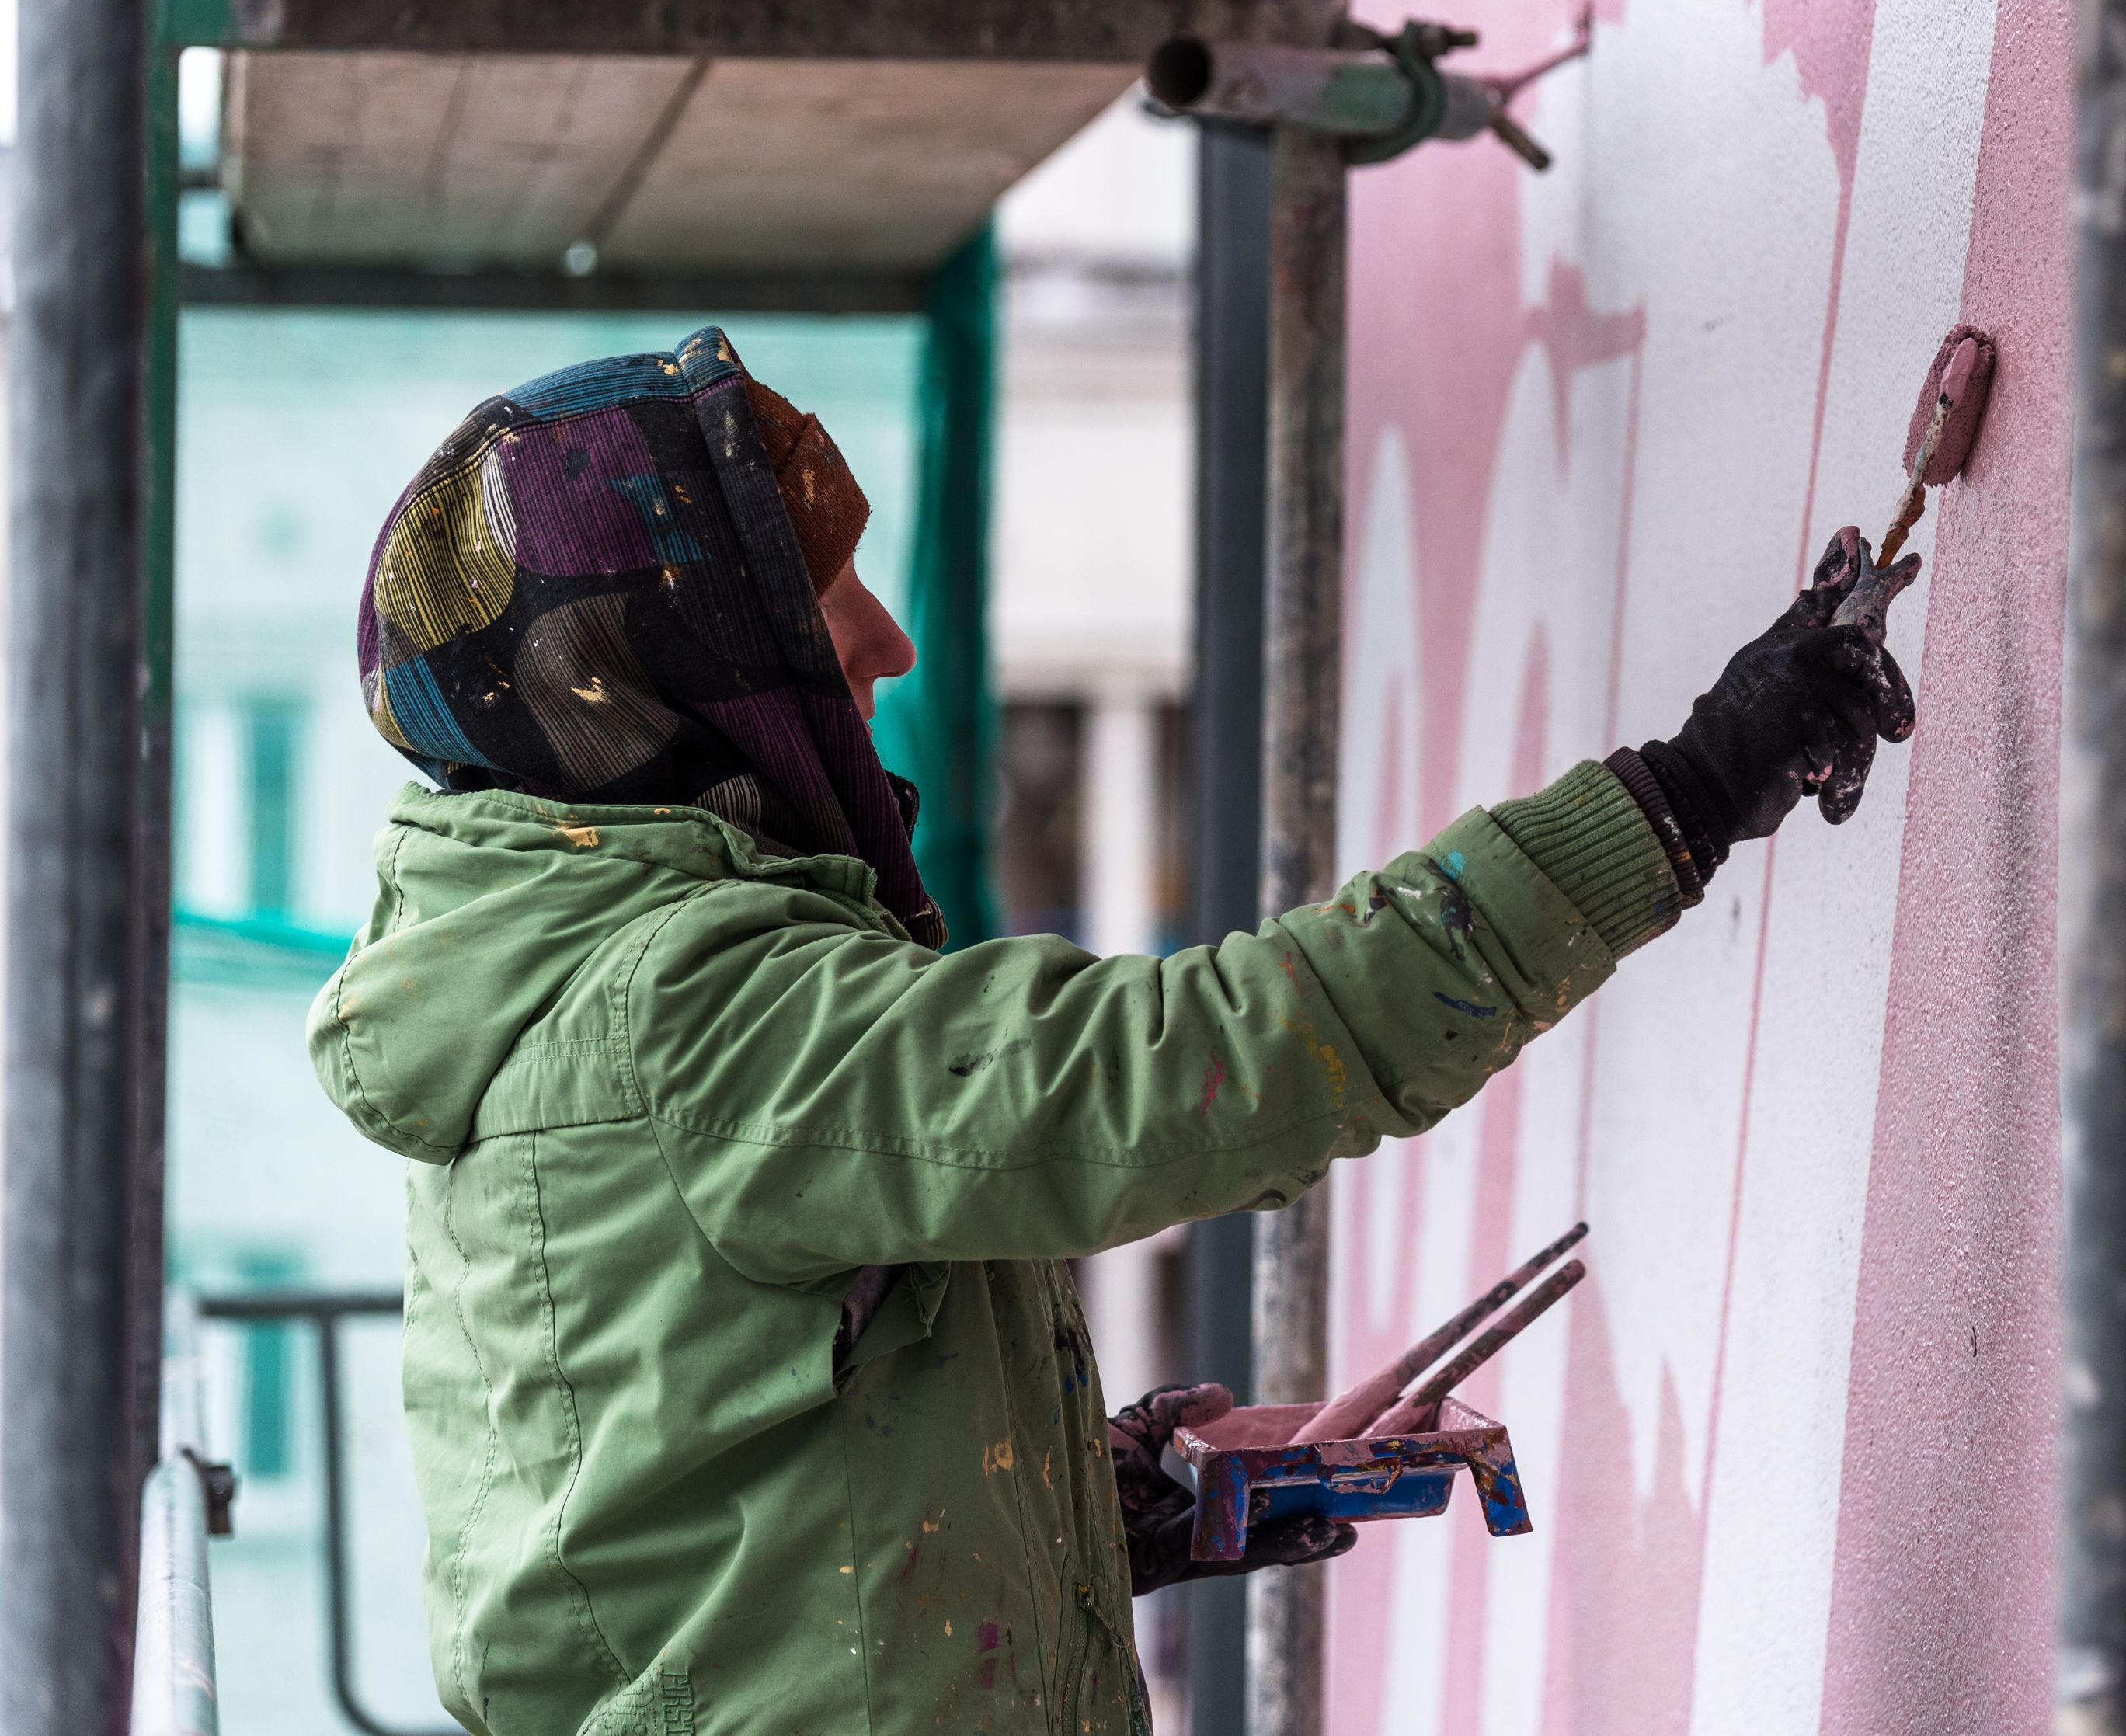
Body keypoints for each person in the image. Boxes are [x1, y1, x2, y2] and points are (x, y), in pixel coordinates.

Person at [311, 328, 1918, 1736]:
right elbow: (1185, 1072)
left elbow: (712, 1497)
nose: (883, 643)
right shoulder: (673, 1016)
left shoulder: (561, 979)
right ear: (662, 686)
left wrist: (1090, 1507)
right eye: (812, 606)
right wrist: (1689, 795)